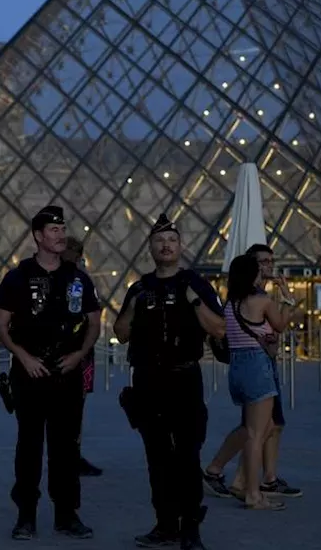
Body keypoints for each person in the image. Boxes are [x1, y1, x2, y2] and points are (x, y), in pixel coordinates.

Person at [113, 213, 225, 549]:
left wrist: (193, 300)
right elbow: (120, 334)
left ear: (181, 246)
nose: (166, 245)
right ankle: (164, 524)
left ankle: (190, 528)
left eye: (172, 240)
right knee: (157, 458)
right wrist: (132, 306)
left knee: (188, 457)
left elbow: (218, 328)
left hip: (184, 379)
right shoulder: (139, 288)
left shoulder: (197, 284)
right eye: (160, 240)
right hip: (148, 381)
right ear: (150, 246)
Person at [0, 205, 102, 541]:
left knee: (66, 447)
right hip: (30, 371)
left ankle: (67, 514)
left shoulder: (78, 278)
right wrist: (24, 358)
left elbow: (95, 322)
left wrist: (79, 355)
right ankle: (26, 515)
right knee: (28, 447)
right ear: (38, 236)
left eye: (63, 229)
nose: (61, 235)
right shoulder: (17, 277)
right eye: (53, 230)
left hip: (66, 371)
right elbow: (0, 323)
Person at [203, 244, 302, 500]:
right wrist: (288, 298)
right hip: (258, 367)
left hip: (238, 368)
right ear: (252, 270)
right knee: (256, 432)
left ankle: (240, 480)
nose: (267, 268)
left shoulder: (230, 303)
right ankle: (252, 492)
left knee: (258, 427)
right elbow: (279, 326)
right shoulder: (262, 300)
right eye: (262, 264)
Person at [59, 237, 103, 478]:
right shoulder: (65, 279)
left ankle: (72, 452)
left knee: (78, 404)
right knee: (71, 406)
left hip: (83, 352)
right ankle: (69, 453)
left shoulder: (81, 280)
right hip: (74, 350)